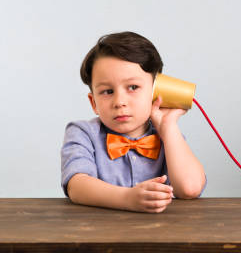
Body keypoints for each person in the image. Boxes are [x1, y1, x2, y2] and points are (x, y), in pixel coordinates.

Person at [61, 31, 206, 212]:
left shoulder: (168, 135)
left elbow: (189, 188)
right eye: (107, 91)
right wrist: (127, 198)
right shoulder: (82, 133)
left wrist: (169, 127)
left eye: (133, 87)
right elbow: (77, 186)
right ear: (93, 102)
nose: (120, 102)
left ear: (155, 91)